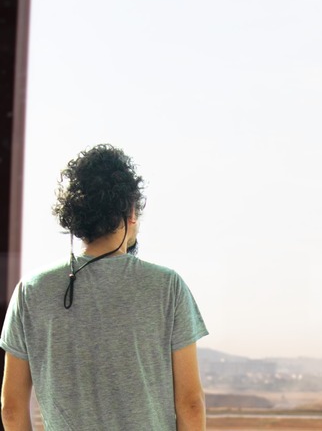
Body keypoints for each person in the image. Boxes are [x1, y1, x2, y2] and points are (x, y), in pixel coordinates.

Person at [0, 144, 208, 430]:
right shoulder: (167, 286)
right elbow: (190, 403)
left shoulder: (30, 290)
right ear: (131, 211)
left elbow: (11, 408)